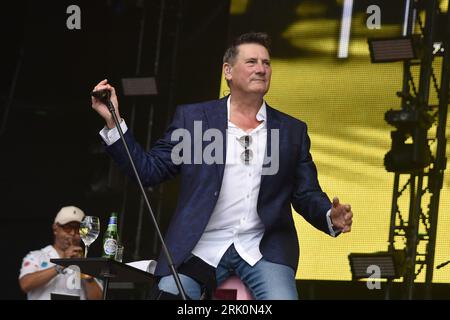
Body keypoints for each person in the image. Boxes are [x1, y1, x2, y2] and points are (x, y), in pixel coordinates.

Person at [91, 32, 353, 300]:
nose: (261, 69)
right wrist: (114, 122)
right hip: (200, 246)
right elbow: (149, 169)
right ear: (228, 71)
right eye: (252, 62)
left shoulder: (291, 131)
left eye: (266, 63)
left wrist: (328, 216)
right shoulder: (195, 120)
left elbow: (305, 193)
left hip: (262, 248)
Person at [19, 206, 103, 300]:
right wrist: (62, 263)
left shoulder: (86, 263)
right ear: (55, 229)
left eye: (78, 229)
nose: (72, 233)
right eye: (67, 228)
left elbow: (99, 298)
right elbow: (25, 285)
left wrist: (86, 272)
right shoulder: (36, 256)